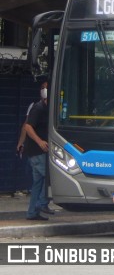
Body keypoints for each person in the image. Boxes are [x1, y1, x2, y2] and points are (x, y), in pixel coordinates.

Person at [22, 81, 54, 221]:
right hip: (37, 151)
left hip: (37, 152)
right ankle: (42, 204)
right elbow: (28, 127)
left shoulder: (47, 108)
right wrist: (40, 142)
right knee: (49, 178)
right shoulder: (39, 108)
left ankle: (32, 213)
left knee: (38, 183)